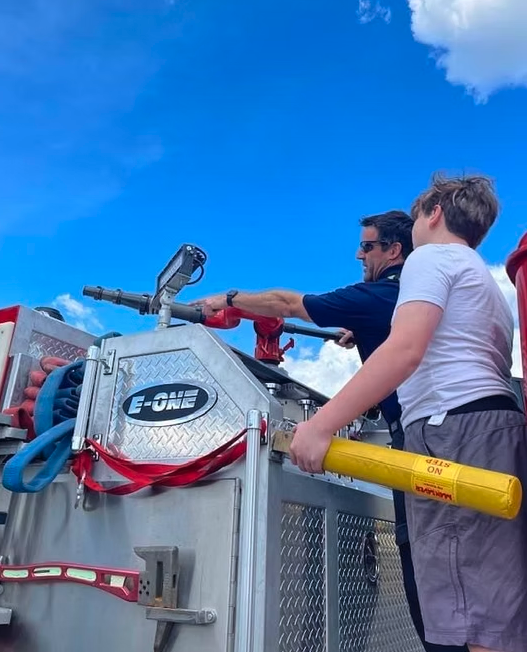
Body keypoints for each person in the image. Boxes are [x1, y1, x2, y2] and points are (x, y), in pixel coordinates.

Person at [193, 210, 467, 652]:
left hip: (422, 442)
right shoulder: (406, 301)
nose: (359, 254)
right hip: (433, 439)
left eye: (367, 246)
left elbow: (286, 304)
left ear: (394, 251)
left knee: (430, 584)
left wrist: (226, 300)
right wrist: (359, 330)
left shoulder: (383, 294)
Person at [288, 174, 527, 652]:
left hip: (451, 432)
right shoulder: (483, 276)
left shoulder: (430, 258)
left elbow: (406, 350)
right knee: (492, 610)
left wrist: (320, 425)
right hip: (493, 426)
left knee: (468, 619)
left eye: (418, 216)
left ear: (433, 213)